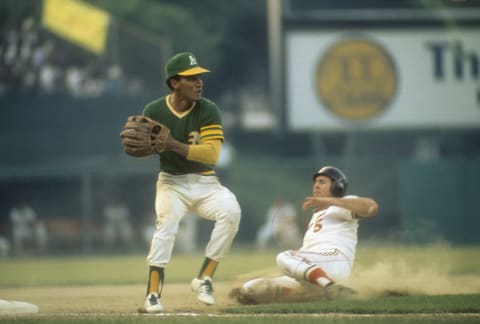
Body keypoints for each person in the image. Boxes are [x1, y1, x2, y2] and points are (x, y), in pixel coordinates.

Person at [134, 52, 241, 313]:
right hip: (172, 183)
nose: (199, 82)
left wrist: (171, 144)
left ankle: (204, 277)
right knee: (166, 224)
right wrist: (144, 148)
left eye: (200, 77)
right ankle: (152, 295)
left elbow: (211, 154)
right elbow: (144, 146)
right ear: (174, 83)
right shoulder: (154, 110)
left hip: (206, 182)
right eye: (191, 78)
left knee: (231, 212)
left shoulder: (208, 109)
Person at [232, 166, 378, 304]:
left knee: (284, 256)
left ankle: (331, 287)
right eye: (315, 182)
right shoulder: (318, 214)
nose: (316, 186)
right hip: (318, 269)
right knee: (251, 288)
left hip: (335, 261)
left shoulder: (340, 206)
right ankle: (316, 293)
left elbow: (371, 207)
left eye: (322, 182)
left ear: (336, 186)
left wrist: (330, 200)